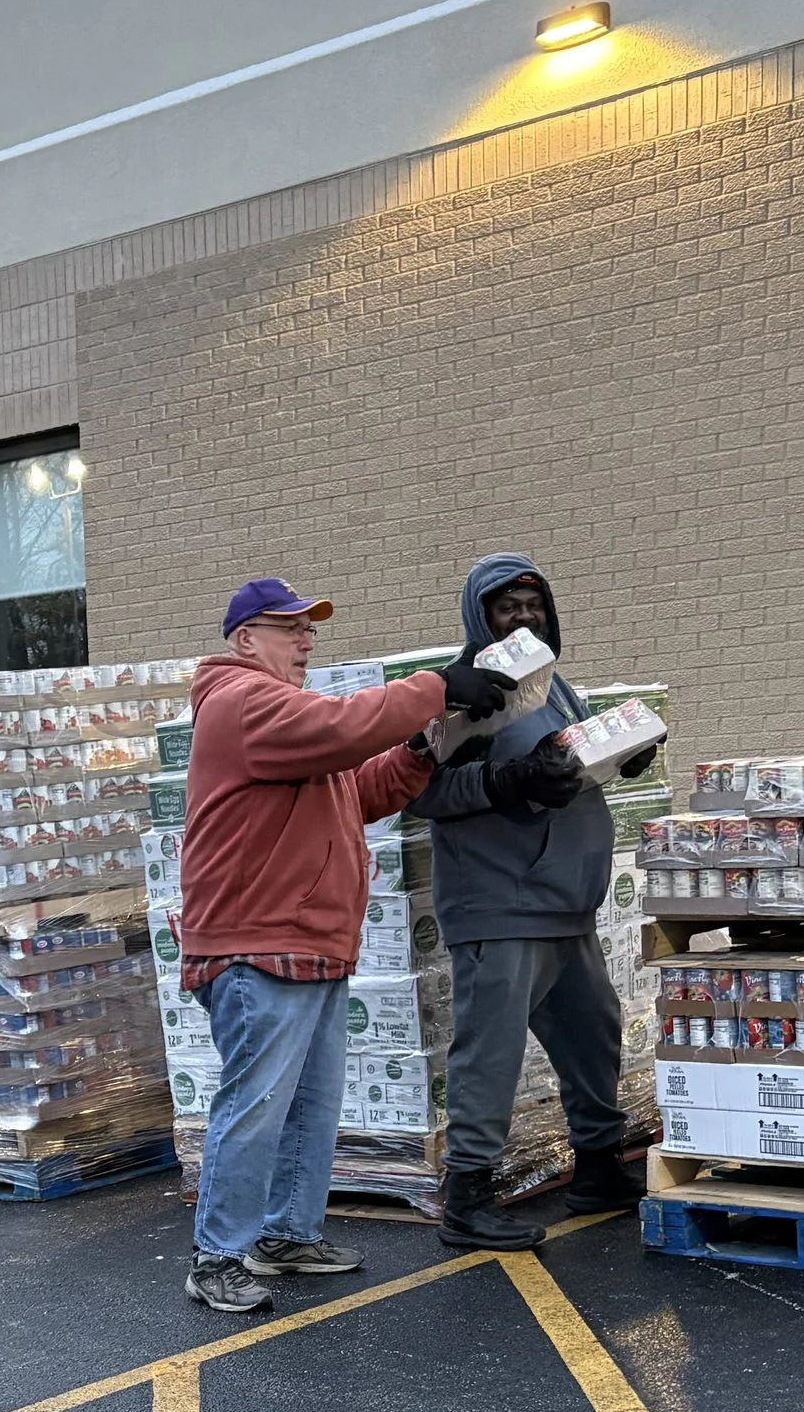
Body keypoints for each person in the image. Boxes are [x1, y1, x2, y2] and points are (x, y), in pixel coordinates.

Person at [178, 575, 506, 1315]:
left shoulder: (284, 726)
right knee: (257, 1104)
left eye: (310, 629)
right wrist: (436, 688)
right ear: (244, 639)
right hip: (258, 945)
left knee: (311, 1103)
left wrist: (425, 750)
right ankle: (217, 1256)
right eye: (289, 627)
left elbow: (360, 789)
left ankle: (286, 1234)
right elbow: (346, 726)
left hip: (309, 942)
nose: (306, 640)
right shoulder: (241, 701)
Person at [414, 556, 654, 1250]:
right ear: (479, 616)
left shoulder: (552, 685)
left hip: (563, 903)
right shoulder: (468, 692)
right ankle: (468, 1198)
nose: (523, 617)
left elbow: (560, 763)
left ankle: (598, 1168)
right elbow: (422, 791)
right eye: (506, 606)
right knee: (490, 1053)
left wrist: (616, 753)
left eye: (533, 604)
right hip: (502, 904)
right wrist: (508, 780)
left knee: (592, 1032)